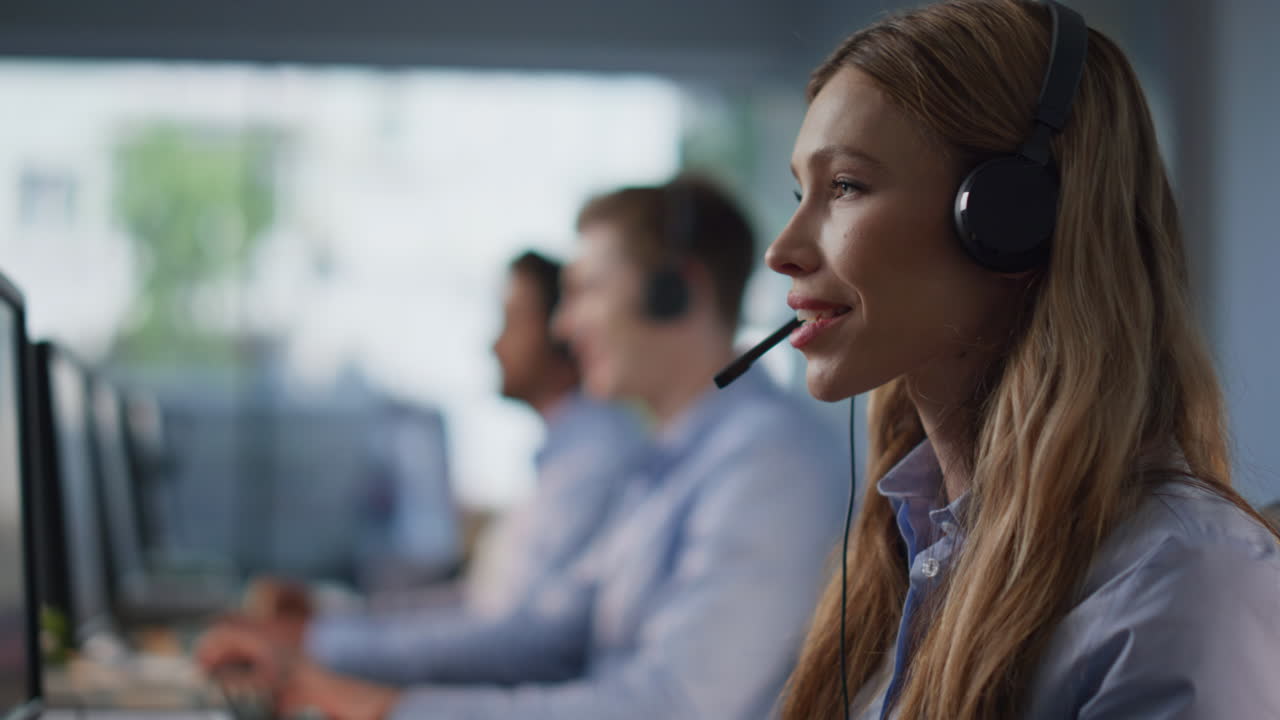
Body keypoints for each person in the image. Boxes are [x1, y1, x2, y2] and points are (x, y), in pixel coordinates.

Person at [766, 1, 1280, 718]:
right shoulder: (907, 560)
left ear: (1009, 220)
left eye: (846, 186)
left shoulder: (1185, 585)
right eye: (801, 192)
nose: (782, 250)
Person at [197, 177, 848, 720]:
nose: (566, 325)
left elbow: (674, 706)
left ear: (675, 290)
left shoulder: (768, 464)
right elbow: (545, 633)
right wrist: (323, 655)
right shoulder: (670, 460)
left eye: (587, 289)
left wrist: (383, 707)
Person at [241, 250, 648, 651]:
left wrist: (324, 641)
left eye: (512, 321)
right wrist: (331, 613)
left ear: (562, 335)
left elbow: (517, 640)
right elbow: (479, 606)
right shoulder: (563, 459)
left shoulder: (591, 461)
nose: (494, 344)